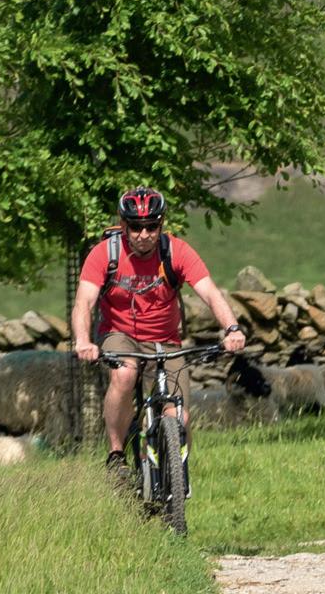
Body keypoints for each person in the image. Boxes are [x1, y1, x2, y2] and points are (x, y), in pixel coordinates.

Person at [69, 189, 248, 478]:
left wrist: (232, 328)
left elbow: (210, 294)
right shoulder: (104, 254)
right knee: (124, 374)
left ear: (161, 224)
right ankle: (116, 455)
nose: (144, 234)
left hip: (165, 341)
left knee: (180, 416)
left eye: (152, 226)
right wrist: (83, 341)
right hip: (119, 334)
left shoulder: (176, 251)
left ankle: (173, 479)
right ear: (123, 225)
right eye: (136, 227)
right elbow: (84, 303)